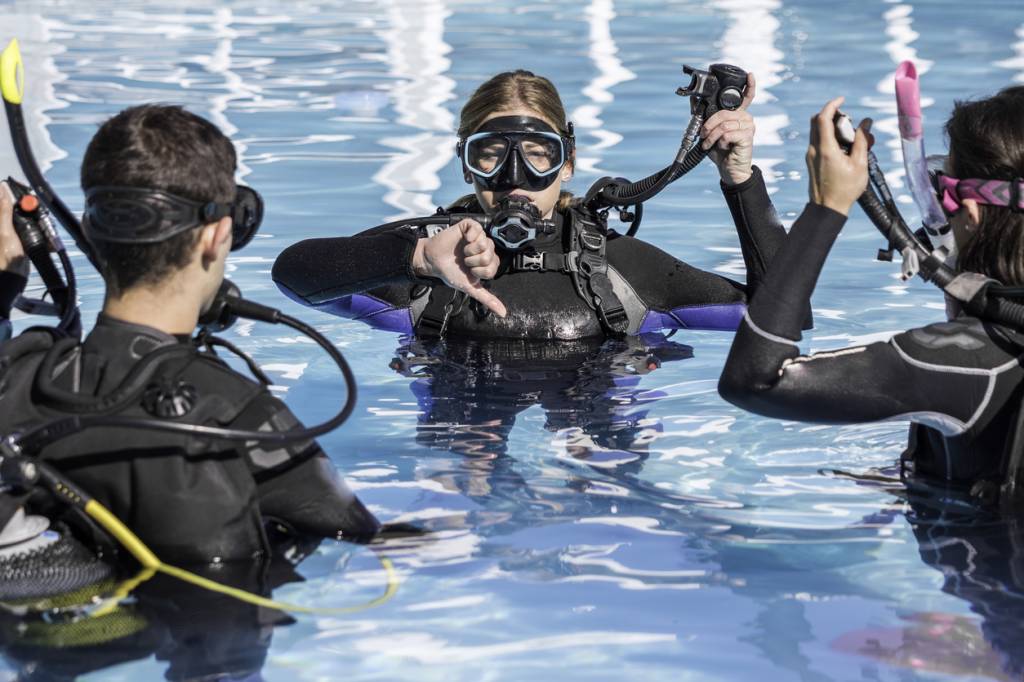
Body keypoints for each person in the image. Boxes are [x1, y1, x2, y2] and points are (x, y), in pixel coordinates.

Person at [0, 105, 380, 566]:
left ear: (95, 233)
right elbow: (367, 541)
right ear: (217, 236)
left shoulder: (18, 375)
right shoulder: (237, 413)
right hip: (213, 627)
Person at [272, 69, 790, 340]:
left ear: (567, 163)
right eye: (492, 155)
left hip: (595, 459)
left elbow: (783, 319)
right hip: (462, 454)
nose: (515, 178)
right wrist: (415, 260)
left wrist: (739, 177)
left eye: (538, 155)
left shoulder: (621, 269)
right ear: (467, 164)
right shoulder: (423, 254)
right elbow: (292, 274)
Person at [718, 88, 1024, 501]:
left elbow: (754, 380)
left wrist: (825, 206)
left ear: (971, 212)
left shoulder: (965, 359)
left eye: (939, 186)